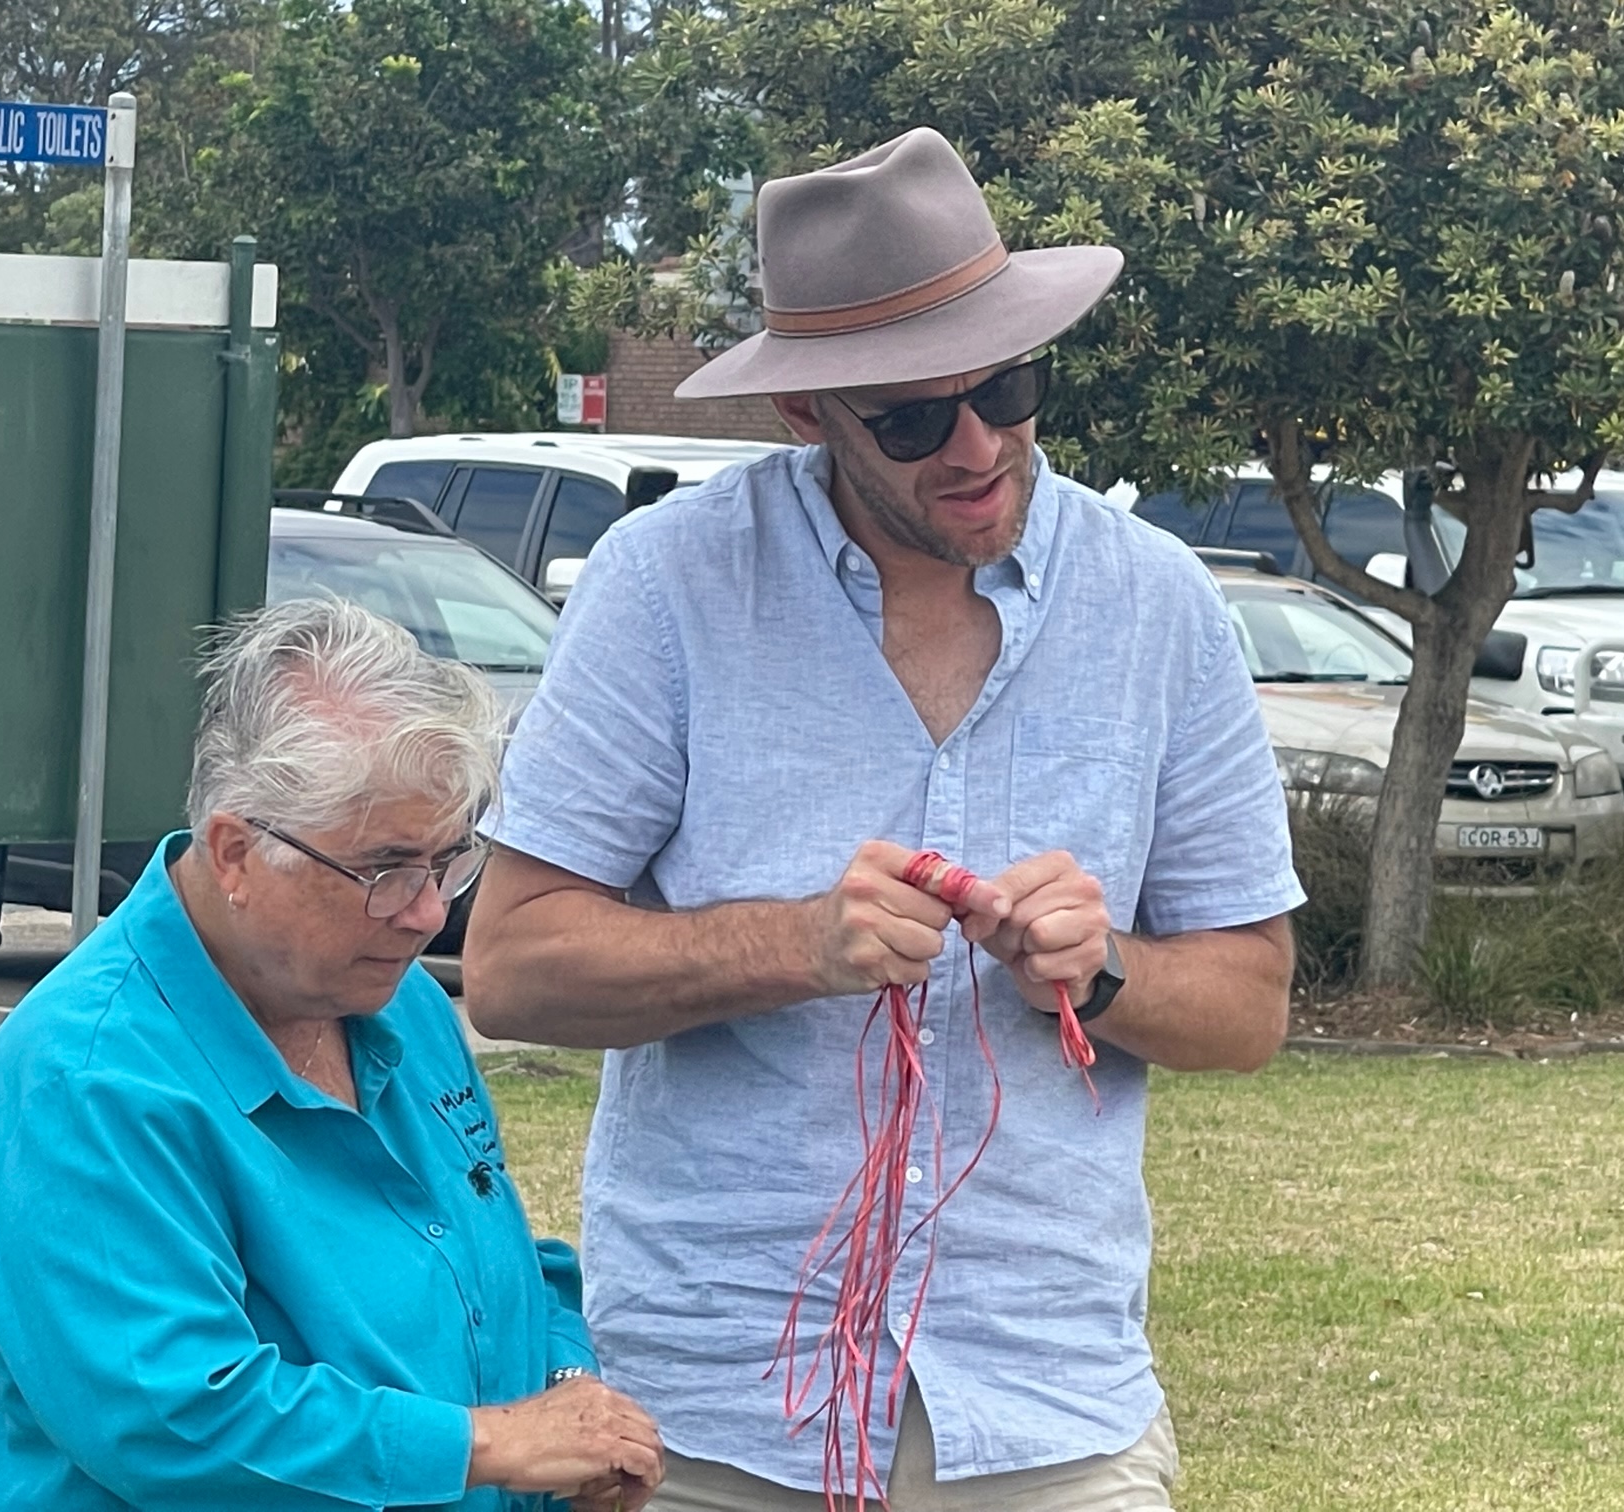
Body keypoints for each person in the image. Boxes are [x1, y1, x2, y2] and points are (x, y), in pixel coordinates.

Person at [462, 127, 1302, 1510]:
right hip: (717, 1405)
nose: (977, 446)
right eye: (912, 420)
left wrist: (1102, 971)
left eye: (1008, 388)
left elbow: (1253, 1005)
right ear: (810, 416)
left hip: (1046, 1404)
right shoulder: (668, 586)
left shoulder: (1159, 607)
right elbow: (512, 967)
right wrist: (797, 944)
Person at [0, 598, 665, 1512]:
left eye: (451, 861)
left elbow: (492, 1261)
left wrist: (570, 1397)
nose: (429, 912)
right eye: (386, 870)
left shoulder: (395, 1000)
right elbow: (175, 1419)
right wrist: (492, 1446)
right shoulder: (81, 1079)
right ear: (237, 853)